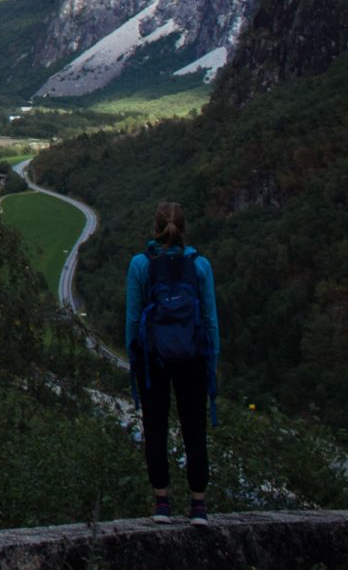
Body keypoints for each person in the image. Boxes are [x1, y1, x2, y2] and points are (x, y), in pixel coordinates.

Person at [126, 200, 219, 525]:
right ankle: (198, 506)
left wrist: (134, 358)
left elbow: (134, 318)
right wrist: (212, 360)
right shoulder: (200, 265)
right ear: (184, 227)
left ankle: (162, 503)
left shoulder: (140, 263)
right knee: (194, 428)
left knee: (155, 427)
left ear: (155, 228)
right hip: (193, 356)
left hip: (154, 359)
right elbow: (210, 319)